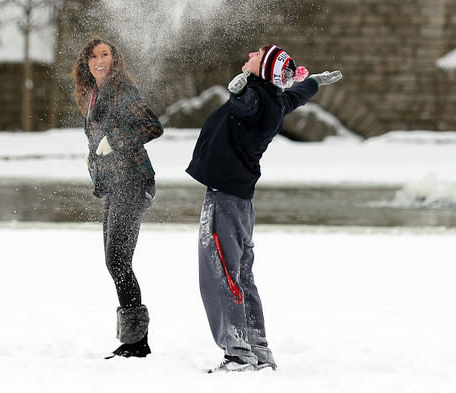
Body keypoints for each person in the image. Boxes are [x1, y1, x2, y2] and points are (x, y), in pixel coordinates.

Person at [185, 44, 343, 372]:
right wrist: (312, 82)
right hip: (239, 203)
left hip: (225, 200)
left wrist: (240, 91)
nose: (253, 52)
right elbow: (294, 95)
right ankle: (257, 349)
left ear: (264, 70)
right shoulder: (274, 98)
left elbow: (246, 106)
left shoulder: (256, 99)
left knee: (221, 275)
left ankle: (238, 353)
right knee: (241, 275)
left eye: (259, 54)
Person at [71, 36, 163, 359]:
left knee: (118, 260)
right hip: (114, 183)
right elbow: (100, 138)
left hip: (133, 182)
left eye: (106, 54)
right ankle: (132, 338)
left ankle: (137, 343)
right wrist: (94, 158)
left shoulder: (122, 89)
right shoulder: (95, 94)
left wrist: (114, 141)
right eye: (94, 55)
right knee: (114, 261)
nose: (100, 60)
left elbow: (152, 126)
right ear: (87, 63)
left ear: (114, 59)